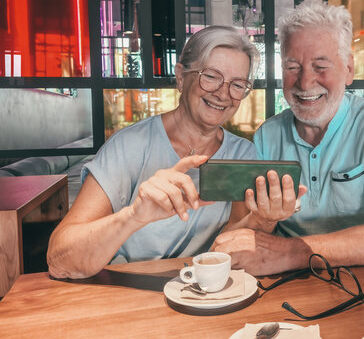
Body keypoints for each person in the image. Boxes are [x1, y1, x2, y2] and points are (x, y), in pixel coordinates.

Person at [47, 26, 302, 279]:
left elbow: (231, 243)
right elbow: (60, 259)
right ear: (181, 76)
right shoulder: (130, 145)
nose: (223, 94)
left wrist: (264, 219)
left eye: (237, 84)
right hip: (127, 293)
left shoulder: (243, 153)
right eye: (211, 76)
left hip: (201, 292)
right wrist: (134, 216)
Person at [213, 0, 364, 276]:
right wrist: (263, 222)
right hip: (297, 283)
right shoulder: (267, 135)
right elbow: (243, 238)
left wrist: (291, 252)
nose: (304, 83)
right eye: (292, 68)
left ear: (348, 69)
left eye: (320, 66)